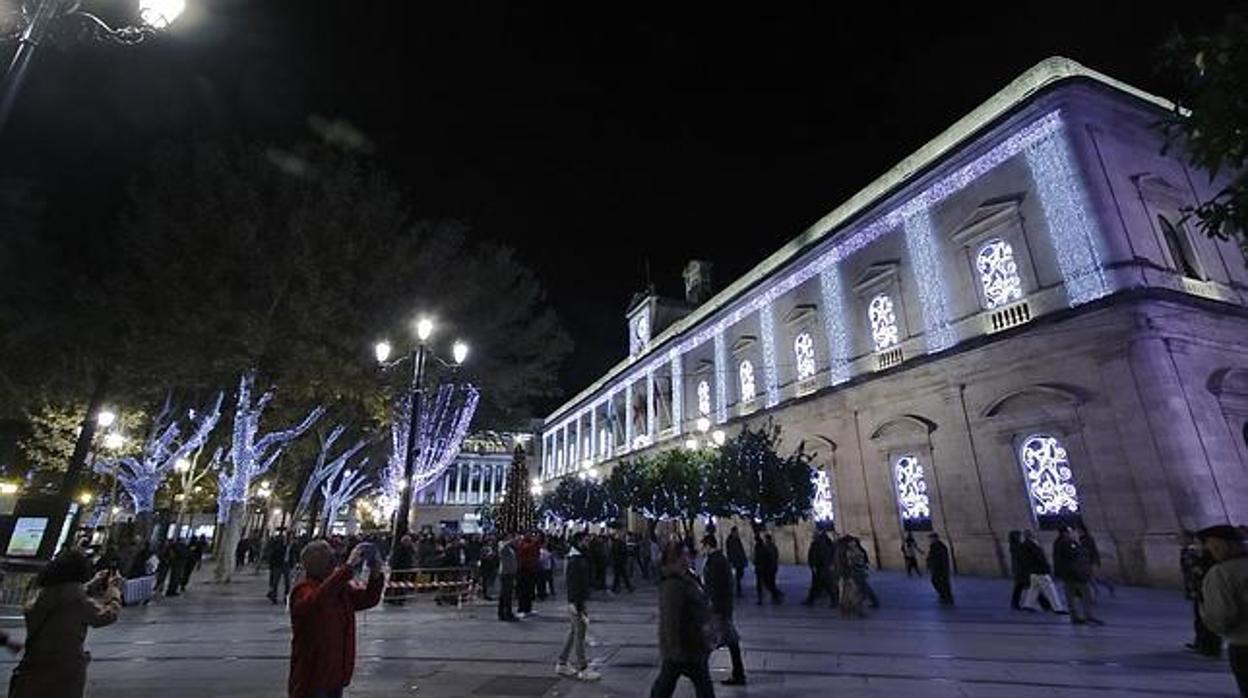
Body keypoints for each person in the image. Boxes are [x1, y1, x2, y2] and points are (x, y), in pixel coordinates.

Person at [9, 549, 122, 698]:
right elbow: (106, 616)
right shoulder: (77, 600)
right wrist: (114, 593)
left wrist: (91, 584)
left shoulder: (42, 596)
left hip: (34, 666)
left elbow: (65, 596)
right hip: (65, 670)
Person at [288, 540, 384, 698]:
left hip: (334, 675)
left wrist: (375, 573)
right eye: (329, 558)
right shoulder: (303, 590)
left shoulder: (339, 590)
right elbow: (317, 600)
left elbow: (368, 599)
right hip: (312, 677)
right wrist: (347, 568)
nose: (334, 564)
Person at [650, 540, 714, 698]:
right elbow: (670, 619)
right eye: (684, 555)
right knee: (669, 683)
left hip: (693, 643)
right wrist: (674, 648)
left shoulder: (687, 577)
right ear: (675, 558)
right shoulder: (673, 584)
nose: (688, 558)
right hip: (684, 646)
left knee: (667, 684)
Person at [1196, 524, 1248, 695]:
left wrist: (1204, 612)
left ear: (1227, 545)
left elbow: (1223, 617)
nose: (1210, 550)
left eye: (1213, 546)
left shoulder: (1221, 573)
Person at [555, 533, 600, 681]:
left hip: (578, 600)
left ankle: (562, 662)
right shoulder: (575, 560)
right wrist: (577, 604)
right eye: (586, 540)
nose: (588, 543)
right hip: (576, 601)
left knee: (574, 632)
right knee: (580, 634)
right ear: (579, 542)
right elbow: (573, 583)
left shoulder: (579, 557)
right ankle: (583, 668)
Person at [702, 534, 746, 686]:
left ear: (708, 545)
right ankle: (739, 673)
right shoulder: (719, 560)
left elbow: (715, 586)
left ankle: (698, 672)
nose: (703, 549)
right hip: (722, 608)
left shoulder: (716, 562)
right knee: (729, 642)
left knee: (709, 641)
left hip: (718, 609)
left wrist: (713, 605)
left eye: (704, 546)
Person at [1052, 526, 1102, 625]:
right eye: (1070, 531)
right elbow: (1076, 555)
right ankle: (1088, 615)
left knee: (1070, 597)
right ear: (1065, 533)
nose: (1072, 533)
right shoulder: (1068, 542)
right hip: (1075, 574)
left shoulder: (1057, 543)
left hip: (1066, 574)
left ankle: (1074, 617)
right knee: (1086, 595)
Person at [1019, 530, 1066, 614]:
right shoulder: (1032, 544)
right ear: (1030, 535)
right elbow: (1039, 557)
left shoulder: (1025, 545)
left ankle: (1028, 605)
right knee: (1050, 589)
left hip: (1033, 571)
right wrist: (1046, 568)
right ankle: (1058, 608)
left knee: (1034, 588)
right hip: (1040, 570)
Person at [1078, 525, 1115, 598]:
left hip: (1092, 560)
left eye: (1079, 531)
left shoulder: (1087, 539)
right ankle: (1096, 591)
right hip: (1088, 561)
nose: (1078, 532)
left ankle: (1109, 586)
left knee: (1096, 577)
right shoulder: (1082, 539)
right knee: (1091, 578)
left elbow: (1090, 551)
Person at [803, 529, 834, 606]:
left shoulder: (818, 544)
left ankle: (834, 600)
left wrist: (814, 565)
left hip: (820, 568)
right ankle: (810, 600)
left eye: (814, 535)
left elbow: (816, 556)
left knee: (824, 585)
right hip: (820, 567)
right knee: (817, 585)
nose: (812, 536)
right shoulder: (821, 544)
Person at [753, 531, 782, 605]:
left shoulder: (764, 548)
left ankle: (775, 595)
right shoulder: (766, 547)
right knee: (769, 583)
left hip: (766, 568)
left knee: (767, 584)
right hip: (767, 568)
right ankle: (775, 596)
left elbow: (769, 558)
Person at [927, 532, 954, 606]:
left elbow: (943, 559)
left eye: (931, 538)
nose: (930, 540)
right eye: (930, 539)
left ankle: (946, 596)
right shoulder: (933, 546)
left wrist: (945, 569)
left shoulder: (941, 546)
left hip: (940, 568)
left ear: (936, 538)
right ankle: (943, 594)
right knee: (936, 581)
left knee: (943, 582)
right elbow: (931, 556)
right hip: (935, 568)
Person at [516, 533, 539, 617]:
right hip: (524, 569)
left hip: (531, 569)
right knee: (523, 590)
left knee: (530, 590)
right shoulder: (523, 544)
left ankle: (528, 608)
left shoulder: (532, 544)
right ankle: (521, 609)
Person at [498, 533, 519, 621]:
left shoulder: (510, 549)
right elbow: (502, 548)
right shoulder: (502, 545)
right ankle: (505, 613)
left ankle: (507, 612)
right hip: (506, 573)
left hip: (510, 573)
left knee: (508, 594)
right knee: (505, 595)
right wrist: (511, 541)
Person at [266, 533, 291, 604]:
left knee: (287, 583)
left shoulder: (289, 547)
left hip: (286, 565)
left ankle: (286, 597)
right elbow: (273, 556)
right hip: (278, 565)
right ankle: (274, 597)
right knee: (276, 582)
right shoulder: (278, 547)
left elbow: (293, 555)